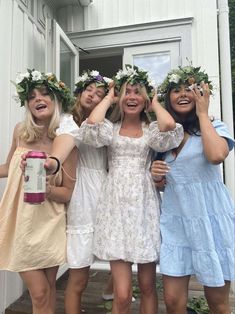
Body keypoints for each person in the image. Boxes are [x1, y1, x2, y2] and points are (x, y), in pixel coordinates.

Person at [76, 64, 184, 314]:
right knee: (122, 294)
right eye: (127, 92)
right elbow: (92, 122)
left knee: (147, 287)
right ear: (119, 98)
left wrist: (155, 102)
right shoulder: (109, 131)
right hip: (115, 210)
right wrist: (109, 97)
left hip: (144, 208)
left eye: (138, 92)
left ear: (145, 98)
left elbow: (169, 125)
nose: (132, 97)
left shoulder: (151, 131)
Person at [151, 65, 235, 314]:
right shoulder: (164, 137)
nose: (182, 94)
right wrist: (157, 177)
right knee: (173, 301)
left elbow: (217, 155)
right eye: (175, 90)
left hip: (210, 220)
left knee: (217, 303)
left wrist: (202, 113)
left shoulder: (213, 125)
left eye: (188, 88)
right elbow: (167, 181)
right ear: (169, 99)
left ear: (200, 92)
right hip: (176, 223)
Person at [0, 69, 77, 314]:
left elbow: (67, 193)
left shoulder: (66, 140)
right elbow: (7, 168)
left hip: (50, 223)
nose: (38, 99)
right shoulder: (20, 131)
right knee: (40, 292)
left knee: (48, 289)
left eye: (45, 94)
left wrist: (47, 191)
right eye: (32, 96)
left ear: (56, 100)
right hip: (22, 221)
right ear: (27, 104)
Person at [40, 70, 115, 314]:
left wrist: (111, 95)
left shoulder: (104, 125)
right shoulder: (65, 121)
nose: (93, 96)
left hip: (103, 190)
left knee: (117, 251)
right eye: (89, 91)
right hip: (79, 192)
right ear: (80, 92)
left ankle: (112, 288)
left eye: (100, 94)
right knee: (79, 277)